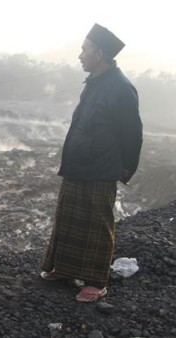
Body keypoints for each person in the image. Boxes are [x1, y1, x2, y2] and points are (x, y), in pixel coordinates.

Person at [41, 24, 143, 302]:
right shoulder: (94, 83)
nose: (80, 55)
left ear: (99, 53)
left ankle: (96, 282)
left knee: (98, 225)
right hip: (79, 165)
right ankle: (63, 269)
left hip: (101, 169)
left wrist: (124, 170)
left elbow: (132, 135)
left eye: (85, 49)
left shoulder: (121, 88)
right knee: (70, 219)